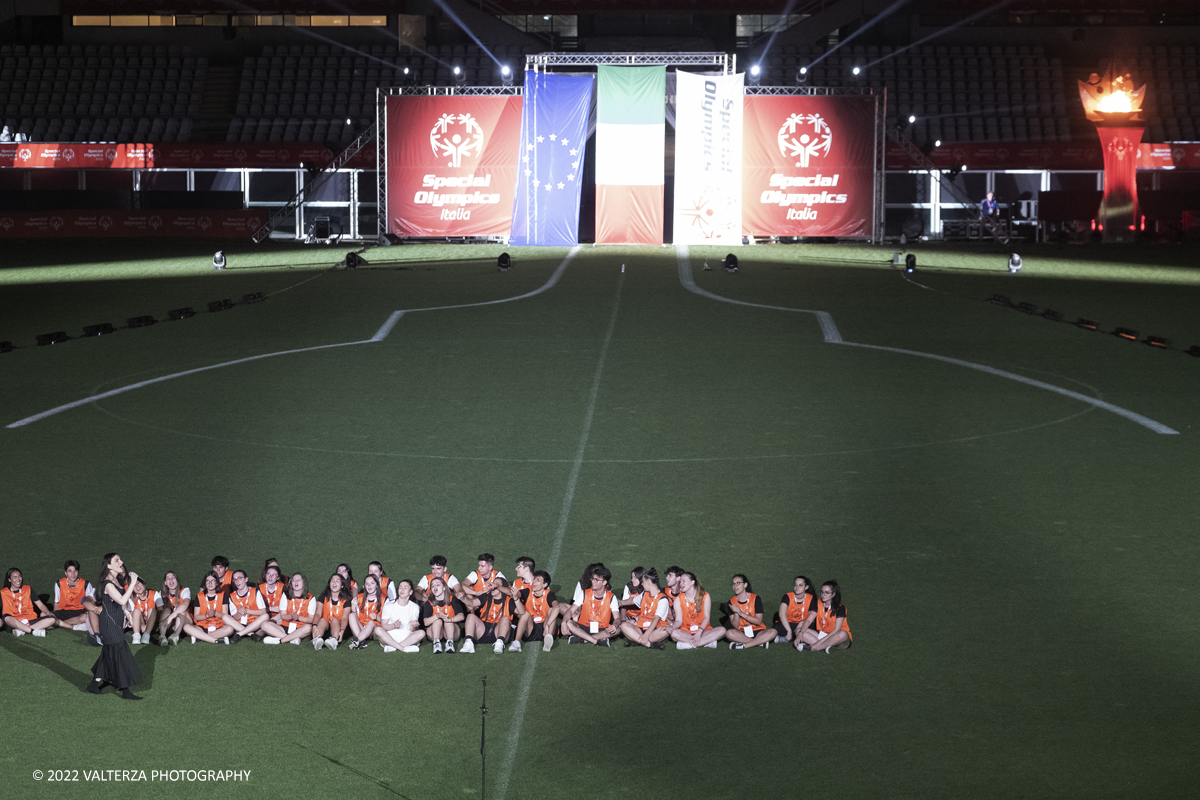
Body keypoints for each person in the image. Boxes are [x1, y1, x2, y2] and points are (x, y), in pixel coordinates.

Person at [86, 553, 142, 699]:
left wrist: (128, 615)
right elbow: (123, 600)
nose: (121, 562)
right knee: (121, 652)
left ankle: (94, 684)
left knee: (109, 653)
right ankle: (125, 690)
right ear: (109, 566)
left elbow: (119, 604)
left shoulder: (116, 581)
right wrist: (133, 581)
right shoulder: (108, 584)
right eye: (117, 560)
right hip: (109, 624)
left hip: (115, 622)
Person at [564, 566, 620, 647]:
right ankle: (596, 640)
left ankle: (583, 639)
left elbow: (617, 618)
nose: (593, 582)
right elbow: (570, 610)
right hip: (583, 627)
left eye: (596, 580)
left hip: (602, 628)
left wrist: (614, 625)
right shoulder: (584, 593)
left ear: (604, 582)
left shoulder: (612, 597)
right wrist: (563, 622)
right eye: (592, 579)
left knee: (618, 629)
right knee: (569, 622)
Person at [671, 572, 725, 649]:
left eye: (684, 581)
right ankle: (706, 643)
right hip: (686, 632)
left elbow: (706, 617)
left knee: (722, 630)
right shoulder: (678, 599)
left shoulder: (705, 595)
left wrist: (699, 633)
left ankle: (691, 645)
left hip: (703, 631)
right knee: (674, 634)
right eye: (680, 582)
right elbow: (678, 620)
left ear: (692, 582)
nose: (681, 584)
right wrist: (672, 627)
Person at [618, 568, 670, 649]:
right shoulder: (644, 594)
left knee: (666, 630)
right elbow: (632, 600)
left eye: (643, 581)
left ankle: (637, 640)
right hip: (640, 628)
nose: (641, 584)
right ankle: (648, 644)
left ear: (649, 582)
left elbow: (656, 619)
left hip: (654, 630)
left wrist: (646, 635)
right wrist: (620, 602)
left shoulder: (663, 599)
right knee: (623, 625)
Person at [723, 574, 776, 650]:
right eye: (734, 584)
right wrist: (736, 613)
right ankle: (760, 643)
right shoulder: (731, 602)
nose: (735, 586)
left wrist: (741, 613)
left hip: (758, 631)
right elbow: (736, 626)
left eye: (738, 583)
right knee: (729, 633)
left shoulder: (756, 598)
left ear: (745, 585)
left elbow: (758, 621)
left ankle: (744, 645)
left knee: (773, 631)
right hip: (741, 632)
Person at [799, 580, 852, 653]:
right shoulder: (817, 603)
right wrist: (800, 634)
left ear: (833, 594)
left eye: (827, 592)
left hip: (837, 637)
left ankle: (814, 647)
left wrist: (818, 642)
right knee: (801, 628)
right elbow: (808, 620)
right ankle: (826, 647)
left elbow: (836, 630)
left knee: (843, 634)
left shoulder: (840, 607)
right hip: (822, 635)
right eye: (822, 592)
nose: (823, 594)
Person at [261, 573, 315, 645]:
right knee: (264, 625)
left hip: (300, 628)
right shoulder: (286, 595)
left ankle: (280, 640)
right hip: (285, 626)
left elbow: (311, 619)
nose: (296, 582)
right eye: (293, 580)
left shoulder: (311, 598)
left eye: (298, 580)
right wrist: (290, 616)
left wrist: (298, 617)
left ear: (304, 583)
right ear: (291, 583)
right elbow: (282, 615)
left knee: (308, 628)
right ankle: (291, 639)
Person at [464, 577, 514, 654]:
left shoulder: (508, 600)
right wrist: (462, 598)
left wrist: (516, 600)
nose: (493, 585)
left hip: (499, 631)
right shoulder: (486, 596)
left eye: (497, 584)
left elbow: (521, 612)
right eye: (493, 583)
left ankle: (499, 644)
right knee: (470, 616)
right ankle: (468, 643)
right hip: (483, 629)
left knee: (506, 618)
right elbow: (472, 603)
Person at [2, 567, 56, 637]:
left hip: (29, 621)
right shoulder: (3, 593)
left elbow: (41, 605)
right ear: (9, 580)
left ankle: (22, 631)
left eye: (19, 576)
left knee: (52, 619)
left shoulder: (28, 589)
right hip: (14, 622)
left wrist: (47, 612)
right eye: (15, 577)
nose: (18, 579)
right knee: (6, 617)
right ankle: (32, 631)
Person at [513, 569, 558, 652]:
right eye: (534, 580)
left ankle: (548, 639)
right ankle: (516, 642)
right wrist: (513, 593)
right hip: (531, 628)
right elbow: (516, 594)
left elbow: (557, 608)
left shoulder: (549, 594)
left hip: (546, 627)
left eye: (538, 580)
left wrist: (547, 625)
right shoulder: (527, 591)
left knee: (551, 610)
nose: (534, 582)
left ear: (545, 584)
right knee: (525, 614)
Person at [184, 571, 234, 644]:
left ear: (216, 583)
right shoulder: (199, 596)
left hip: (219, 625)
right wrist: (207, 615)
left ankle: (201, 637)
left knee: (230, 629)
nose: (210, 583)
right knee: (186, 627)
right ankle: (215, 639)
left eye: (212, 580)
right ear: (205, 583)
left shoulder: (223, 595)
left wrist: (215, 614)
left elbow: (225, 615)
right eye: (207, 581)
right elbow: (196, 617)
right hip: (202, 626)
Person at [378, 579, 424, 653]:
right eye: (400, 587)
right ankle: (402, 648)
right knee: (378, 630)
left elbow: (412, 630)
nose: (402, 590)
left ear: (410, 592)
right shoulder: (389, 606)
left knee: (421, 633)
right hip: (390, 636)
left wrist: (414, 626)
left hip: (407, 636)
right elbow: (384, 625)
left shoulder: (415, 607)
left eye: (405, 588)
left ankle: (393, 647)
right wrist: (393, 625)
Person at [421, 577, 465, 654]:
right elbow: (425, 622)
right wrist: (437, 616)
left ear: (444, 588)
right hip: (435, 632)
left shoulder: (452, 599)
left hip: (452, 631)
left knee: (448, 621)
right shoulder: (429, 602)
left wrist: (450, 619)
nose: (435, 587)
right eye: (432, 585)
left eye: (438, 584)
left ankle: (450, 643)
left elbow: (461, 616)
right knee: (437, 621)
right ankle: (436, 643)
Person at [52, 559, 95, 635]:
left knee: (85, 617)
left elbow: (91, 602)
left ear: (78, 572)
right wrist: (54, 615)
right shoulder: (59, 583)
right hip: (64, 611)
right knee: (44, 615)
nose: (73, 574)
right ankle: (72, 625)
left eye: (75, 571)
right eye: (70, 571)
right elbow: (56, 603)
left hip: (80, 611)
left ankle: (60, 624)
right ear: (66, 573)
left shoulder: (86, 584)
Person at [224, 570, 269, 641]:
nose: (237, 581)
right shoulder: (232, 596)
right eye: (235, 579)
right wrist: (240, 613)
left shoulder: (256, 592)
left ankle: (240, 634)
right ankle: (251, 634)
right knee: (225, 617)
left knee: (266, 616)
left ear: (246, 579)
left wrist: (247, 611)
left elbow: (263, 612)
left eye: (239, 578)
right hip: (240, 624)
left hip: (255, 623)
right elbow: (235, 617)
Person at [776, 576, 817, 649]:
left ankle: (787, 638)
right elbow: (782, 614)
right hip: (788, 624)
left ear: (806, 587)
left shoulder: (811, 598)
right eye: (795, 585)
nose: (797, 587)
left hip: (803, 624)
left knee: (805, 629)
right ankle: (797, 638)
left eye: (800, 585)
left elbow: (811, 619)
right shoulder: (787, 596)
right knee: (776, 628)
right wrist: (789, 630)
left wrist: (803, 624)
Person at [313, 573, 352, 650]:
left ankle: (334, 641)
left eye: (337, 580)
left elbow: (345, 618)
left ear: (342, 585)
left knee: (335, 620)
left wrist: (342, 631)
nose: (334, 582)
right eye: (332, 580)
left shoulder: (346, 600)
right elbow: (317, 613)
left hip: (339, 628)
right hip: (325, 627)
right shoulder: (323, 597)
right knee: (322, 620)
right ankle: (317, 639)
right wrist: (314, 626)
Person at [348, 573, 385, 650]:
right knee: (351, 615)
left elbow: (387, 622)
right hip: (362, 628)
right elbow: (355, 617)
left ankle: (357, 640)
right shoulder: (359, 597)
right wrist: (353, 608)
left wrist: (376, 617)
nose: (369, 586)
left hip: (375, 629)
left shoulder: (384, 599)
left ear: (377, 585)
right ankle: (361, 641)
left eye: (372, 583)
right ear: (364, 586)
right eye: (367, 583)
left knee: (371, 622)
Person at [157, 571, 190, 645]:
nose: (171, 580)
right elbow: (160, 611)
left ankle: (176, 636)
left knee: (181, 610)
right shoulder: (161, 594)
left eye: (173, 577)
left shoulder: (185, 590)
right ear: (165, 582)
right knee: (166, 610)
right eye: (168, 578)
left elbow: (185, 604)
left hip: (184, 622)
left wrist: (171, 616)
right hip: (169, 625)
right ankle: (162, 637)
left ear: (177, 580)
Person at [129, 578, 161, 645]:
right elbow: (131, 614)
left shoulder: (155, 594)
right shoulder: (131, 599)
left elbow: (161, 610)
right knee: (136, 611)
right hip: (140, 625)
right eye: (134, 585)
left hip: (153, 624)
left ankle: (146, 635)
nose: (137, 587)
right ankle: (136, 635)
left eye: (138, 583)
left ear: (143, 584)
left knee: (152, 609)